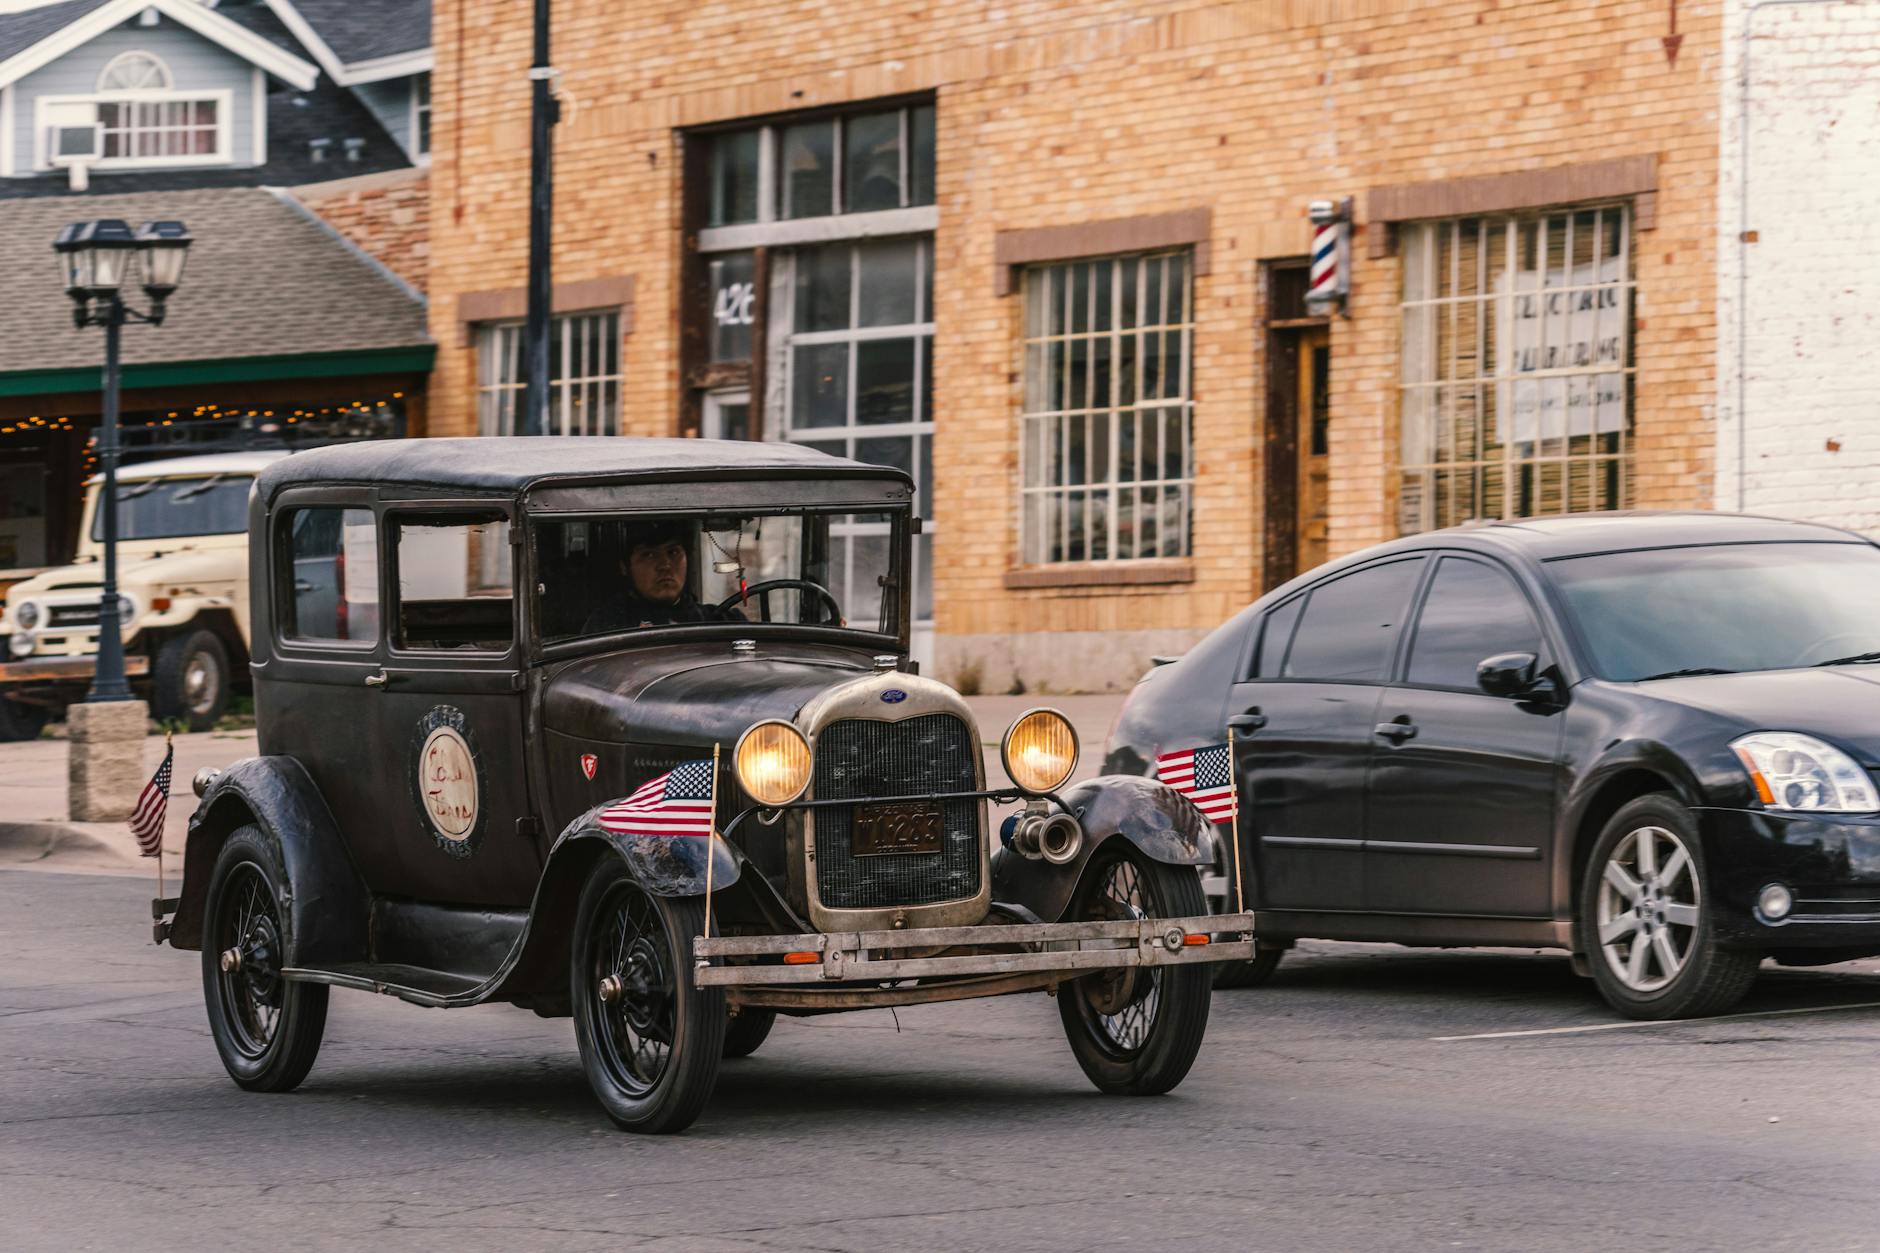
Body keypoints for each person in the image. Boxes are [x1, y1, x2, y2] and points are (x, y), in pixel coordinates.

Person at [584, 519, 744, 632]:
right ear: (625, 567)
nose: (665, 565)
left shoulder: (724, 623)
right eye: (649, 555)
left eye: (673, 552)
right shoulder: (607, 627)